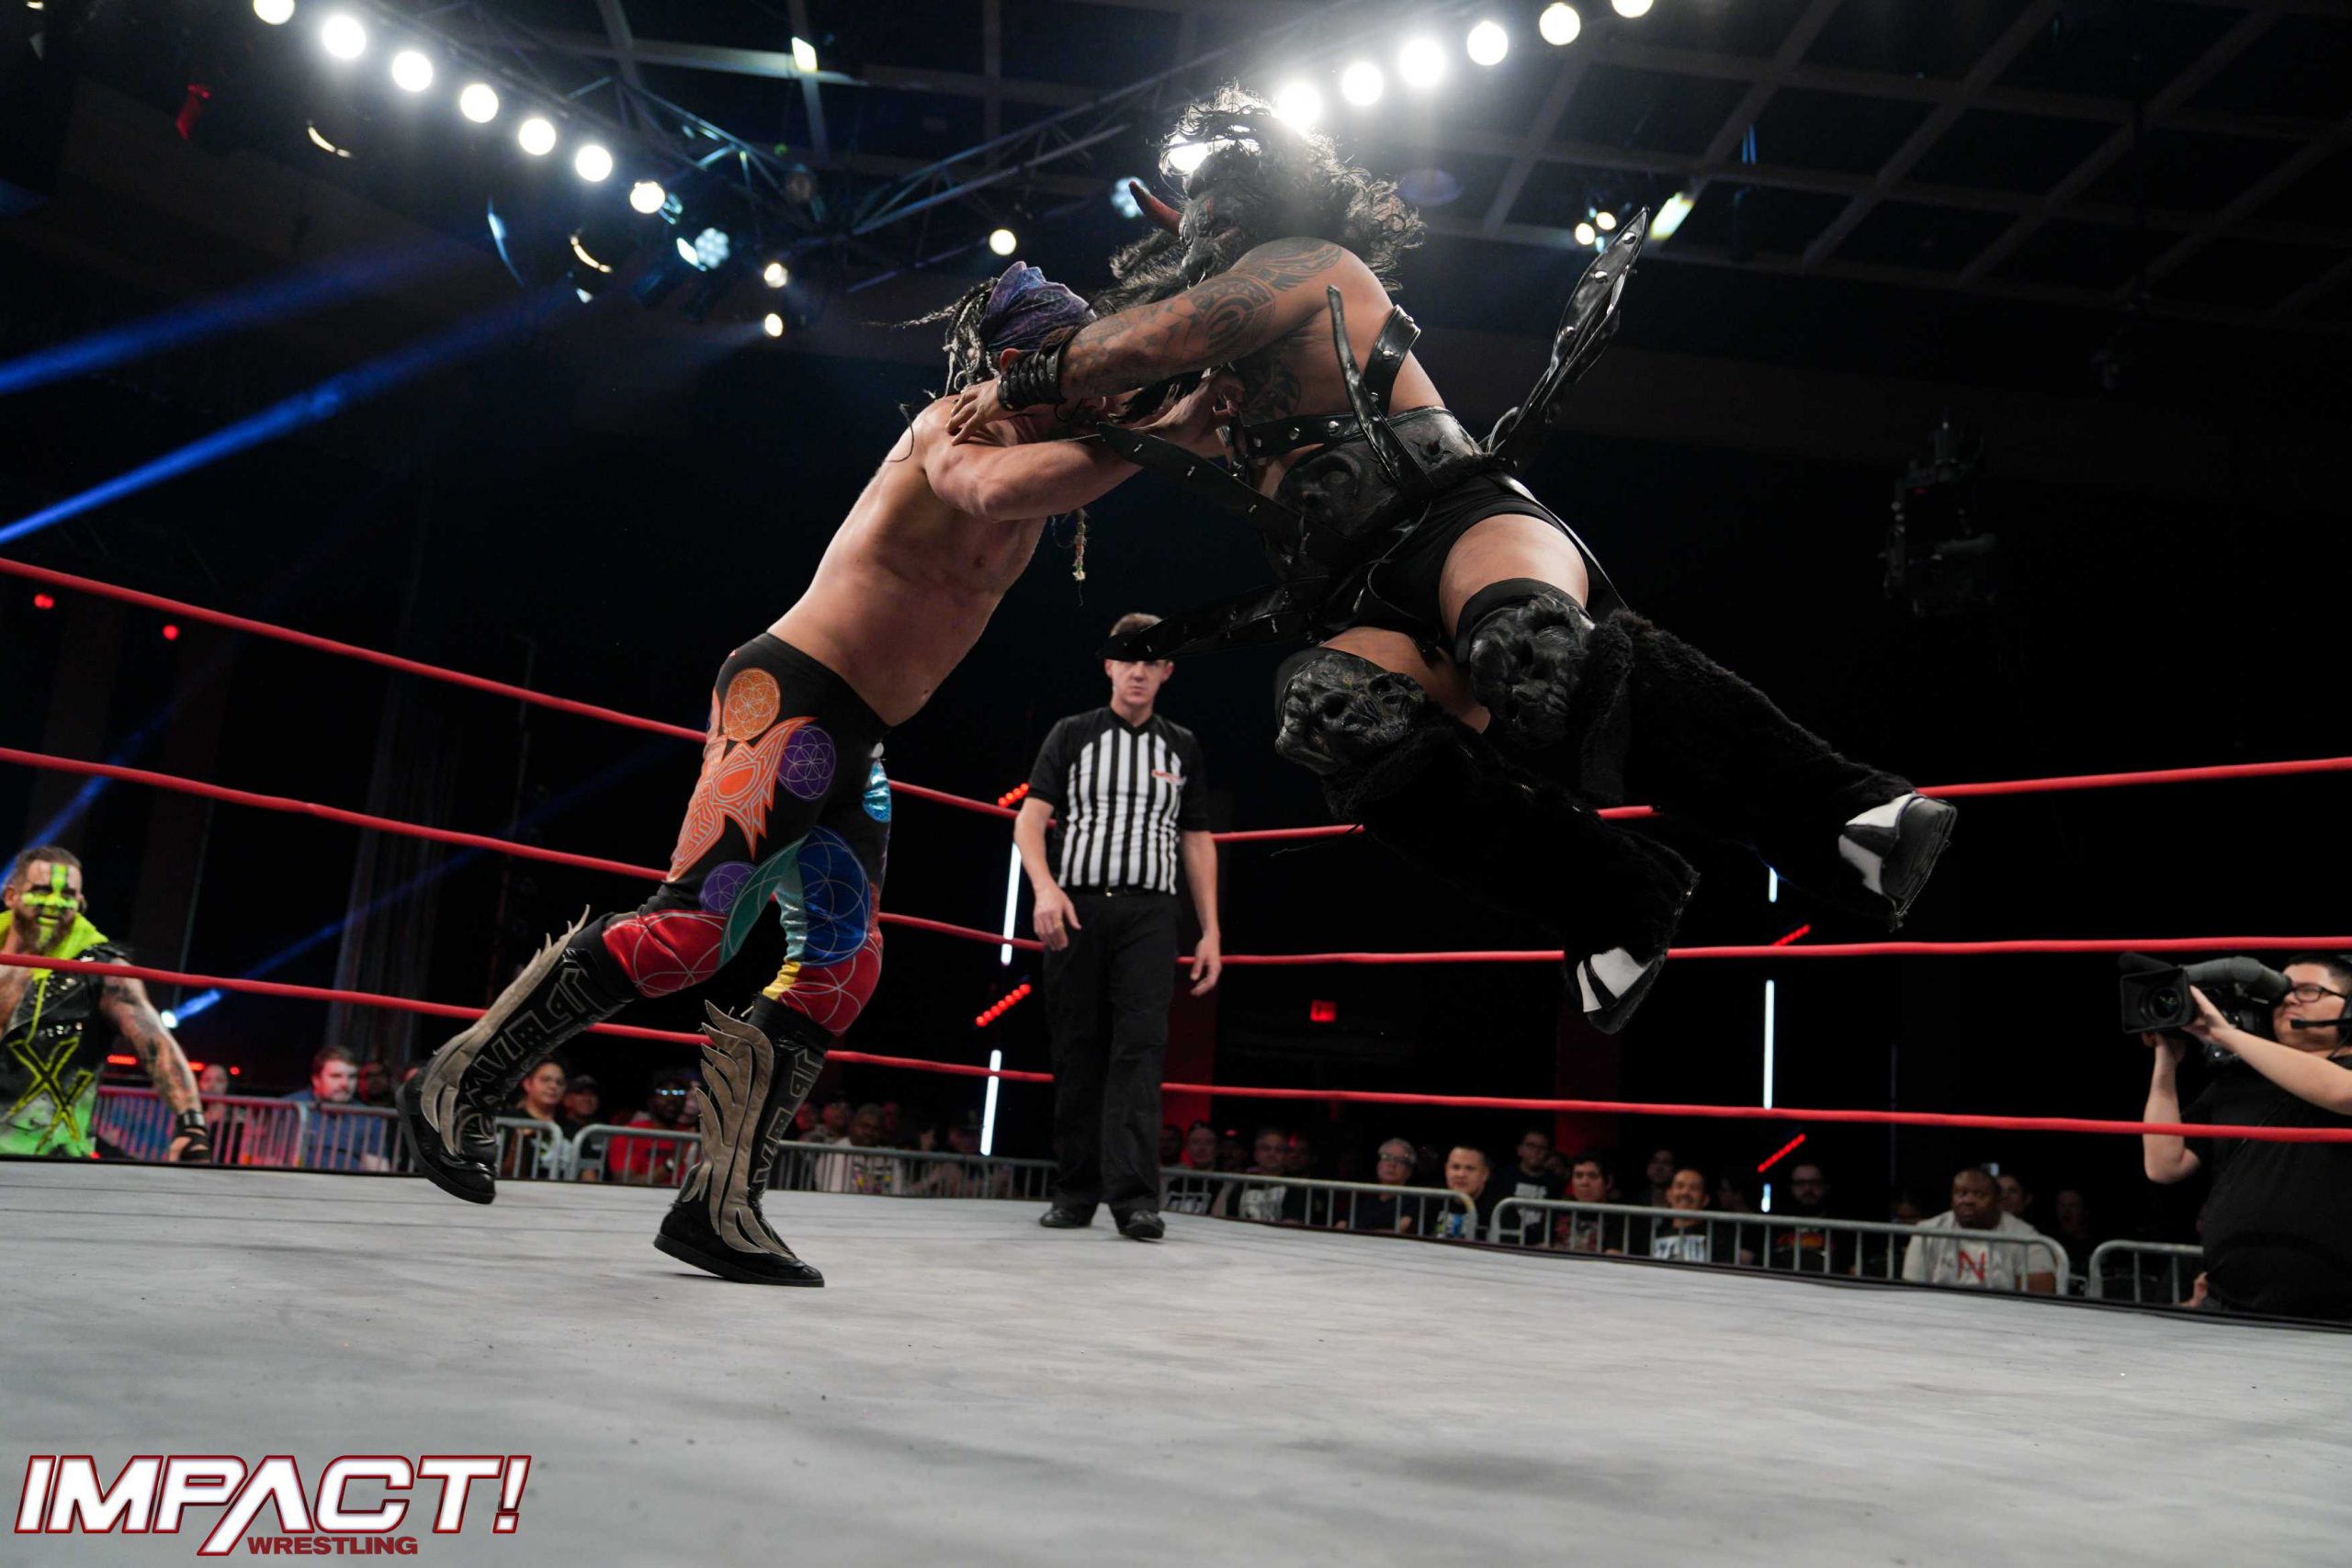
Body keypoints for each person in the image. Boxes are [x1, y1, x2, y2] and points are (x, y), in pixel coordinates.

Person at [948, 88, 1954, 1033]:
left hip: (1454, 519)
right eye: (1195, 221)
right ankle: (1615, 896)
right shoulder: (1210, 381)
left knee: (1528, 649)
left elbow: (1150, 337)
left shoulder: (1309, 265)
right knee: (1333, 716)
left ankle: (1847, 809)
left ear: (1264, 208)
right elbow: (1094, 440)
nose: (1204, 233)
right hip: (1357, 595)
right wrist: (1002, 432)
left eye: (1219, 212)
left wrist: (1030, 376)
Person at [397, 261, 1229, 1286]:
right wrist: (1157, 437)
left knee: (842, 966)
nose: (1098, 388)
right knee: (691, 933)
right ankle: (460, 1079)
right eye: (1079, 366)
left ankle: (718, 1200)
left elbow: (1120, 428)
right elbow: (996, 489)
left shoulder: (1058, 445)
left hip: (855, 736)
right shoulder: (955, 427)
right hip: (789, 697)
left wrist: (1191, 411)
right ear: (1020, 363)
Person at [1018, 611, 1224, 1244]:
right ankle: (1075, 1191)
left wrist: (1211, 930)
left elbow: (1197, 839)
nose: (1138, 670)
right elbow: (1029, 819)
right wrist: (1045, 888)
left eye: (1150, 660)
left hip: (1151, 914)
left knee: (1141, 1048)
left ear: (1166, 671)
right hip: (1077, 906)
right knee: (1077, 1047)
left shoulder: (1181, 745)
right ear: (1109, 665)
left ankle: (1135, 1201)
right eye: (1127, 658)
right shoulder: (1072, 734)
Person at [2141, 955, 2352, 1319]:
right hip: (2230, 1300)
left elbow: (2343, 1093)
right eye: (2281, 990)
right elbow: (2164, 1164)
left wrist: (2226, 1035)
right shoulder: (2239, 1080)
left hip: (2335, 1310)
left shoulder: (2344, 1078)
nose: (2288, 999)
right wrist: (2166, 1063)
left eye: (2308, 991)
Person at [0, 847, 208, 1162]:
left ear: (80, 903)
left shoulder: (102, 971)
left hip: (47, 1157)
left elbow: (156, 1043)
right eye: (41, 890)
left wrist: (192, 1125)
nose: (54, 903)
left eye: (67, 895)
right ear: (11, 896)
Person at [1901, 1168, 2062, 1295]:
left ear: (1997, 1200)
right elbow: (1913, 1291)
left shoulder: (2026, 1237)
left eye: (1979, 1195)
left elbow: (2039, 1294)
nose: (1968, 1201)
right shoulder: (1928, 1231)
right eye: (1961, 1193)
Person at [1648, 1167, 1753, 1266]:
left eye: (1694, 1188)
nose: (1685, 1193)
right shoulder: (1655, 1233)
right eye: (1680, 1186)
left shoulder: (1721, 1237)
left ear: (1705, 1200)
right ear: (1669, 1195)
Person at [1493, 1126, 1563, 1247]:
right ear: (1519, 1150)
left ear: (1548, 1153)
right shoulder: (1504, 1176)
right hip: (1506, 1242)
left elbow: (1553, 1217)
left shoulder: (1554, 1182)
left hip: (1540, 1245)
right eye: (1531, 1146)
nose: (1536, 1151)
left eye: (1542, 1148)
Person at [1766, 1161, 1841, 1274]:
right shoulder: (1772, 1222)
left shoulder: (1842, 1225)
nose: (1808, 1189)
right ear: (1791, 1187)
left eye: (1814, 1183)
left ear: (1826, 1187)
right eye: (1800, 1183)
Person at [1346, 1137, 1420, 1234]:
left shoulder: (1415, 1202)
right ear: (1378, 1165)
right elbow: (1340, 1227)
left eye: (1400, 1160)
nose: (1392, 1164)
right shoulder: (1363, 1200)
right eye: (1386, 1158)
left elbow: (1399, 1232)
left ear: (1409, 1172)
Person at [1432, 1145, 1497, 1242]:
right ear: (1446, 1170)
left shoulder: (1500, 1209)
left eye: (1470, 1169)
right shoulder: (1430, 1199)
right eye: (1455, 1167)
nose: (1461, 1174)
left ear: (1485, 1174)